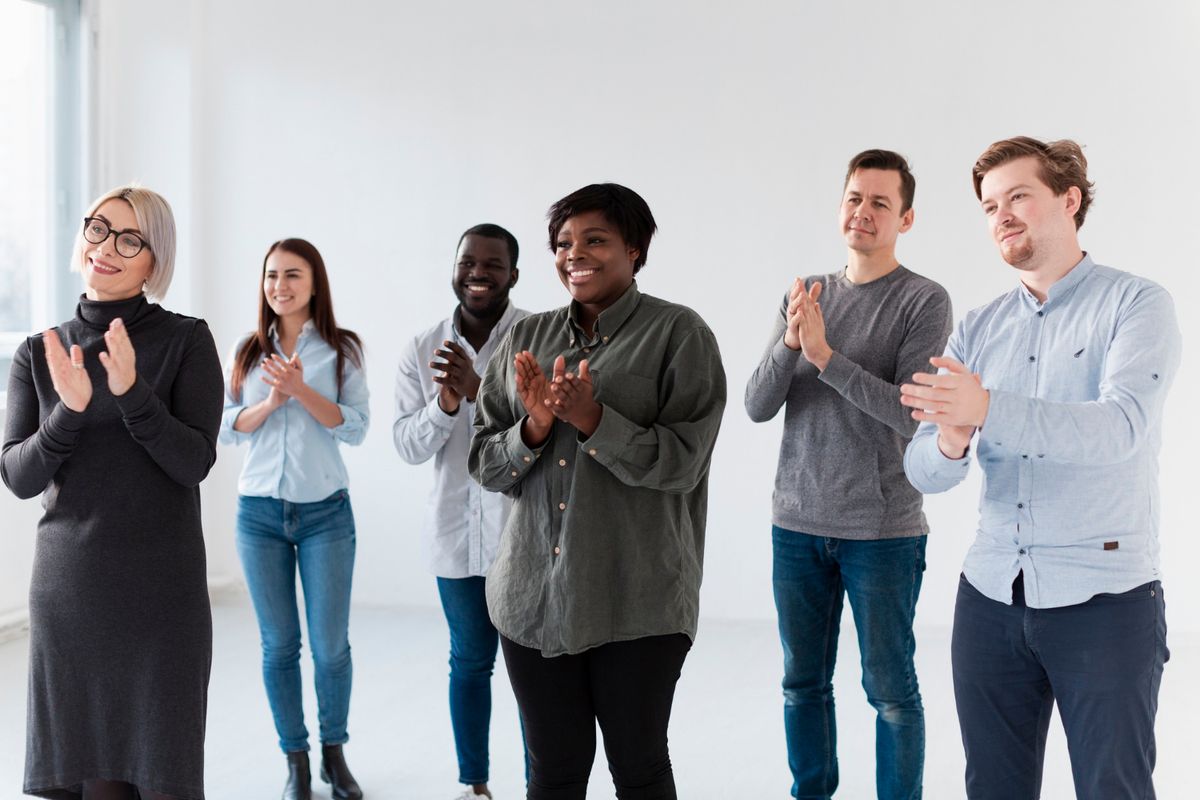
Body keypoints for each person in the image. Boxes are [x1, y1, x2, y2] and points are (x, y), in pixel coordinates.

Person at [901, 136, 1180, 799]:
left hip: (1106, 605)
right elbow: (923, 468)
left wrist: (987, 405)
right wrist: (951, 440)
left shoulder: (1138, 305)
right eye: (990, 205)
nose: (1001, 215)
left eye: (1018, 196)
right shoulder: (977, 326)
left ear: (1070, 200)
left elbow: (1122, 428)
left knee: (1114, 789)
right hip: (990, 600)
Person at [468, 183, 726, 800]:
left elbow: (684, 464)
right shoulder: (523, 338)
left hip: (637, 601)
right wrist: (533, 428)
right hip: (532, 598)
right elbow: (484, 462)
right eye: (563, 243)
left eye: (595, 240)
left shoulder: (679, 334)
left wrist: (593, 420)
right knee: (552, 773)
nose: (574, 254)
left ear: (635, 249)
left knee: (638, 769)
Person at [1, 185, 222, 799]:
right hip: (72, 598)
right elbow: (19, 476)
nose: (108, 248)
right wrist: (68, 413)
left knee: (157, 778)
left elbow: (193, 462)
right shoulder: (37, 352)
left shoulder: (187, 341)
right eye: (99, 229)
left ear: (157, 260)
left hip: (160, 601)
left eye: (131, 239)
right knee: (90, 784)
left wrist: (131, 394)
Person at [745, 150, 952, 800]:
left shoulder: (923, 300)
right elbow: (756, 405)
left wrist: (826, 357)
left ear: (906, 218)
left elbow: (910, 415)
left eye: (880, 203)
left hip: (882, 533)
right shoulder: (805, 292)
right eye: (855, 198)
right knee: (801, 683)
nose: (863, 212)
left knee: (890, 692)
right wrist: (790, 344)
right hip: (797, 526)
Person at [219, 238, 369, 800]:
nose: (279, 286)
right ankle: (296, 761)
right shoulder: (245, 350)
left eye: (292, 275)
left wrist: (301, 389)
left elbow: (355, 427)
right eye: (271, 275)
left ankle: (335, 753)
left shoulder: (342, 349)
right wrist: (271, 402)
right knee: (279, 645)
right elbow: (226, 427)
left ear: (314, 283)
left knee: (331, 646)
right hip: (258, 515)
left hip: (326, 513)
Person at [393, 223, 530, 799]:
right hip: (454, 538)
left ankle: (541, 785)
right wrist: (445, 403)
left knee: (534, 676)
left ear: (513, 276)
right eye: (468, 261)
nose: (478, 272)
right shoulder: (421, 348)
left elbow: (543, 436)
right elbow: (407, 446)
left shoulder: (537, 338)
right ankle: (474, 786)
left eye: (492, 264)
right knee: (470, 663)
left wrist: (479, 391)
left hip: (523, 534)